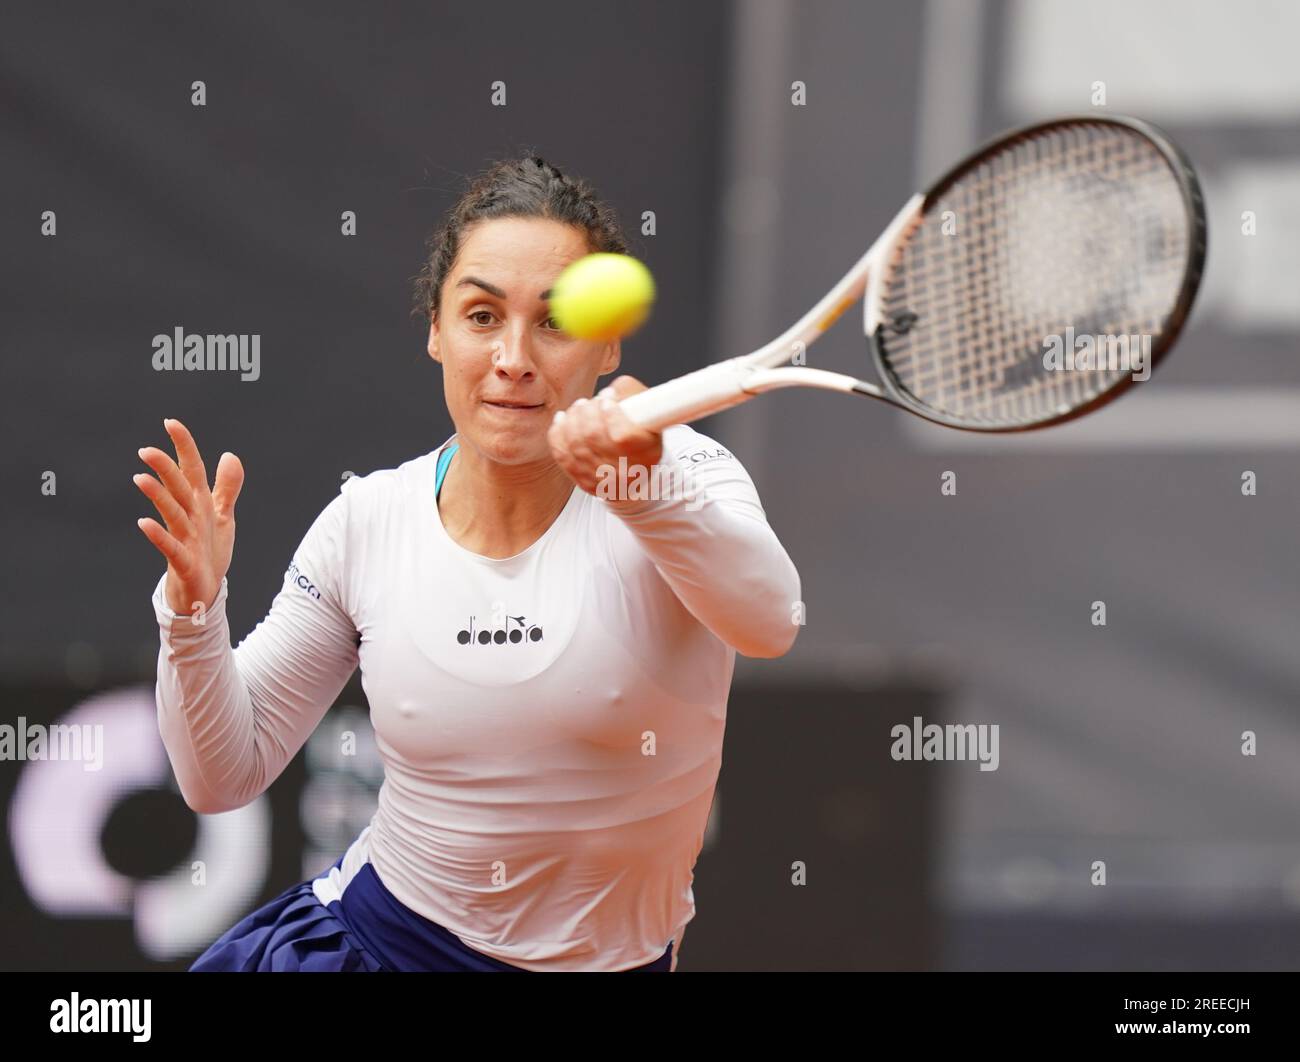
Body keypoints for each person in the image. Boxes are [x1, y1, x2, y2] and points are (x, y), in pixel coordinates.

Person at [135, 156, 801, 972]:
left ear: (606, 343)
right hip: (382, 949)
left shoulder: (680, 476)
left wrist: (642, 486)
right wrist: (193, 611)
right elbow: (221, 775)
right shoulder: (367, 522)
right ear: (436, 330)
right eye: (482, 316)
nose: (514, 358)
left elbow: (770, 622)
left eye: (554, 323)